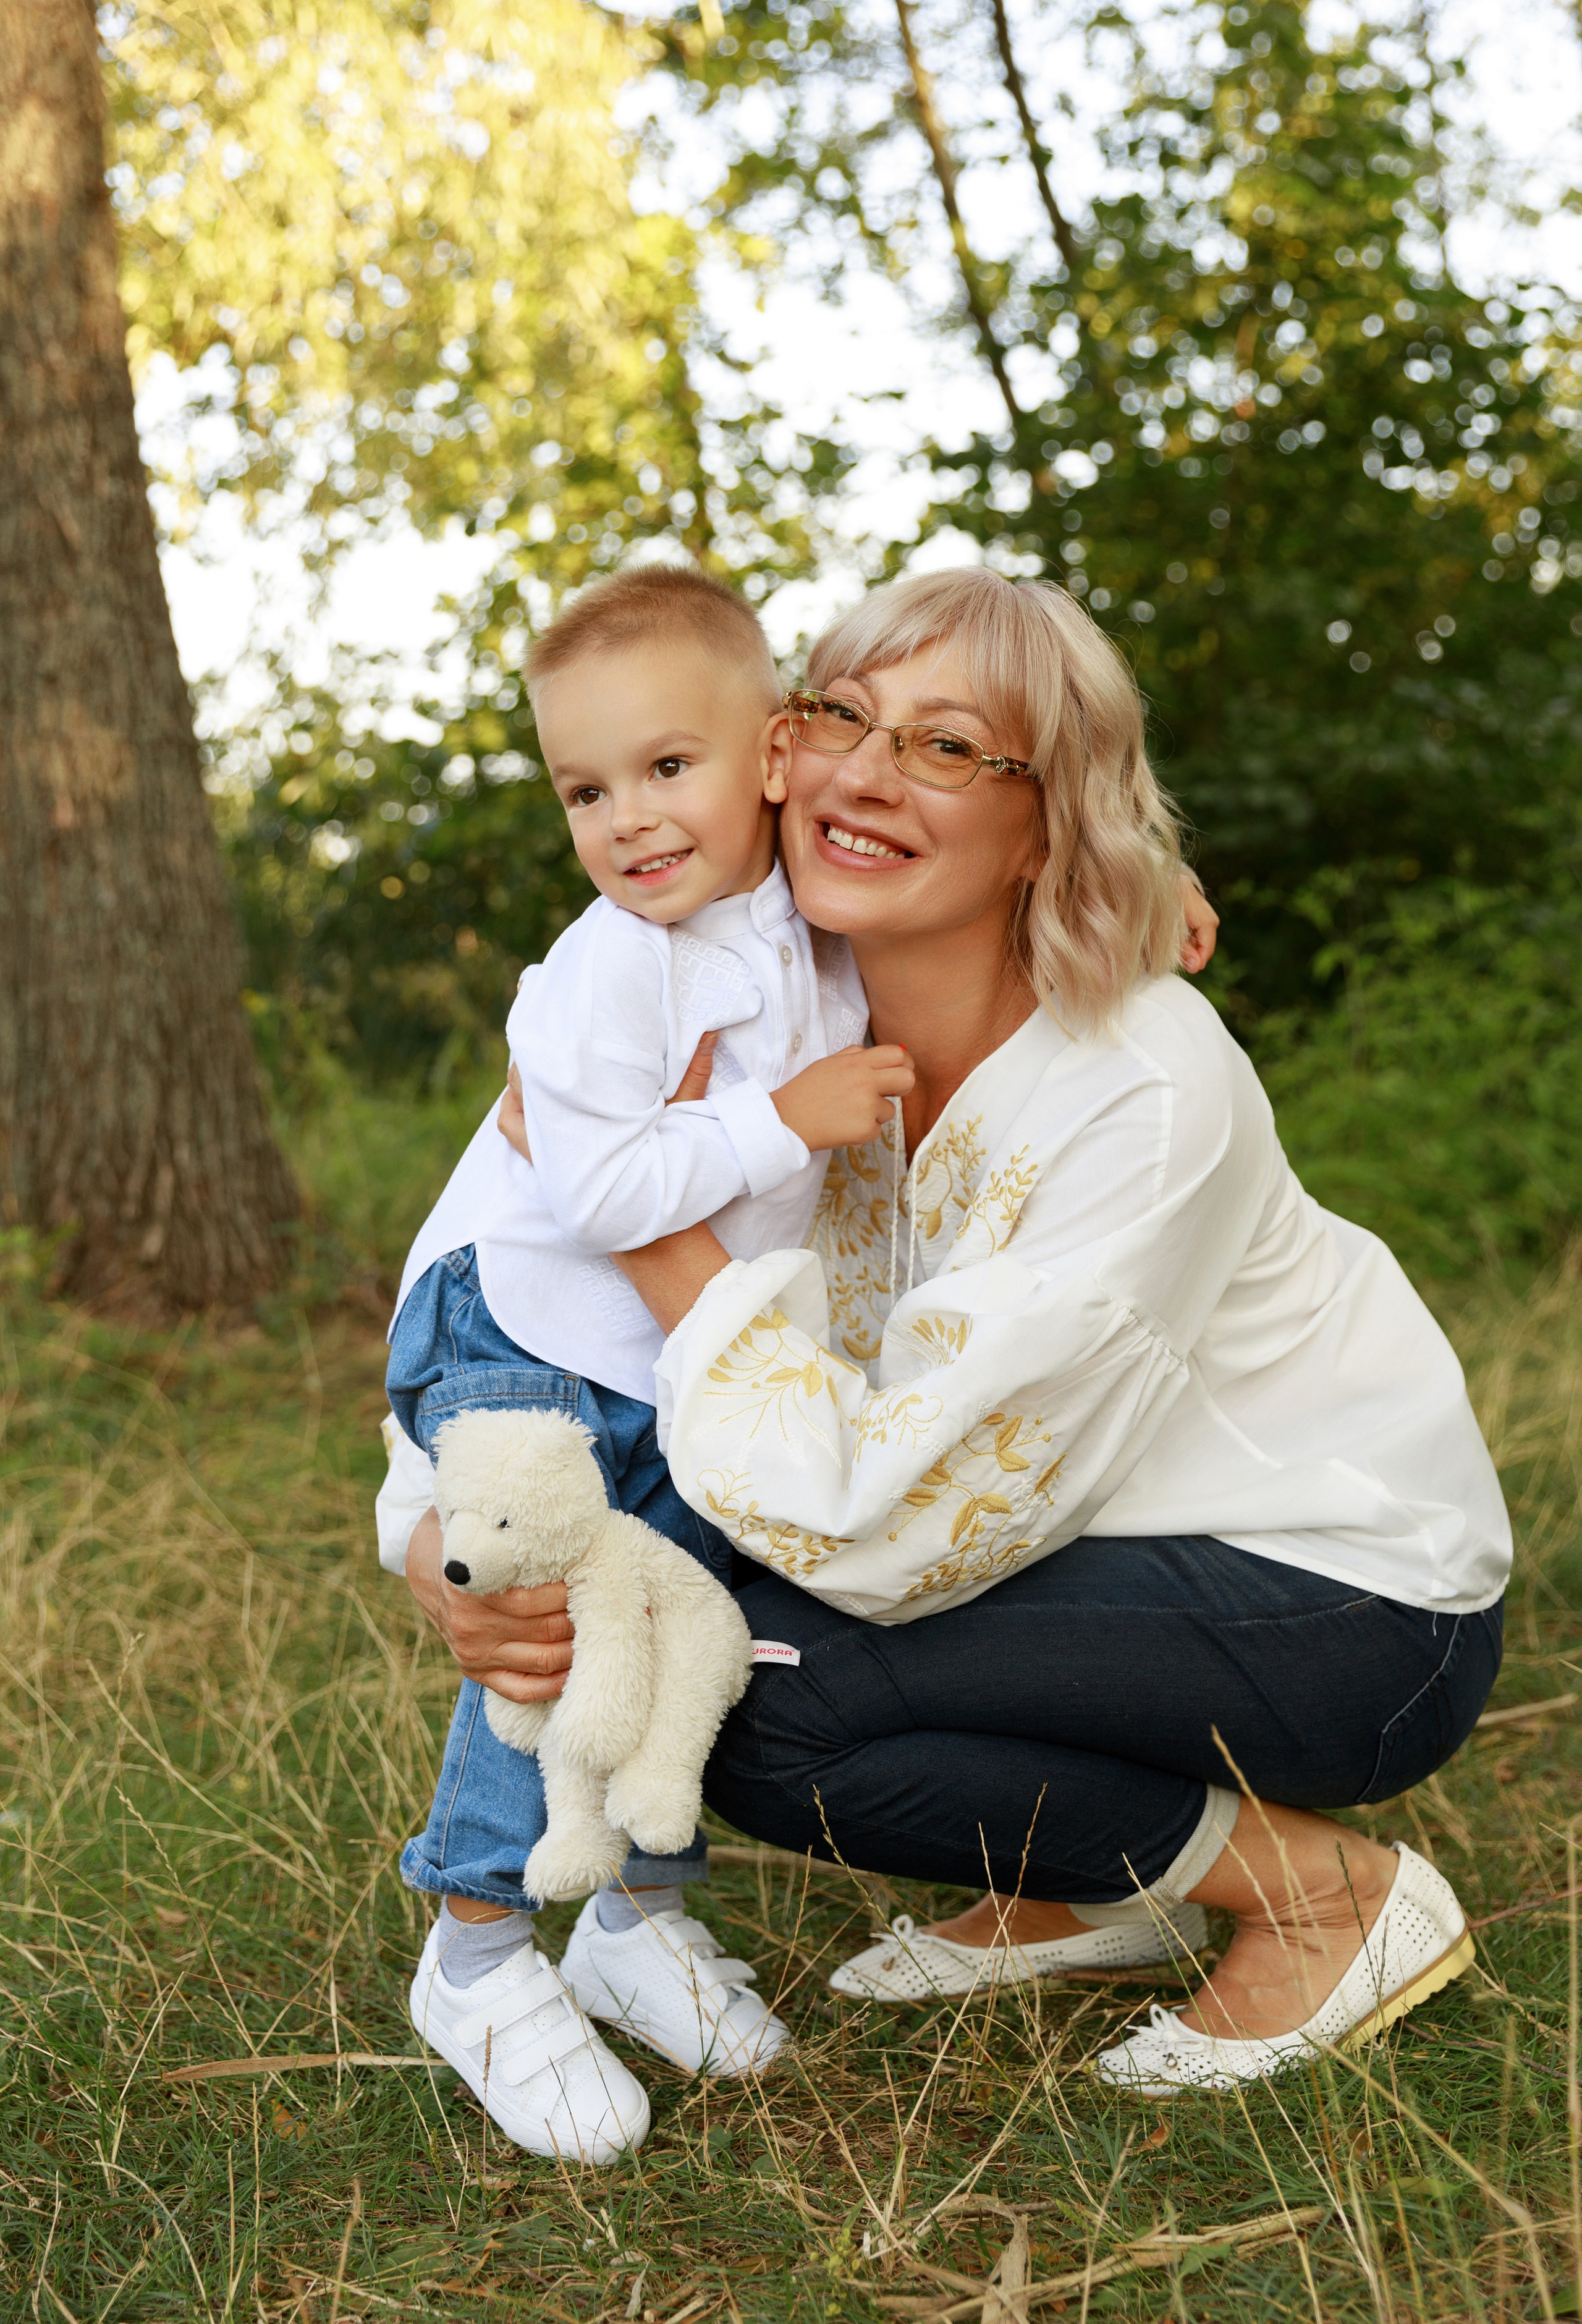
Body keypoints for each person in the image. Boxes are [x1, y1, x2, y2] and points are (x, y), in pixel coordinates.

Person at [507, 565, 1511, 2099]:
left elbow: (885, 1518)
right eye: (841, 716)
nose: (863, 770)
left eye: (947, 746)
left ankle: (1329, 1900)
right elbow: (533, 1223)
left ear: (1048, 819)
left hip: (1342, 1607)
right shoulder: (776, 1005)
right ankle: (1097, 1878)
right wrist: (467, 1542)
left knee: (750, 1689)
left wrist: (650, 1234)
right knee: (674, 1628)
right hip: (1067, 1546)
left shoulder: (1141, 1091)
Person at [378, 563, 907, 2164]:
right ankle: (472, 1956)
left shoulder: (804, 923)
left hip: (660, 1359)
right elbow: (593, 1190)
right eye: (585, 789)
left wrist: (1134, 894)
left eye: (665, 767)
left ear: (769, 759)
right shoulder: (609, 966)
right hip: (519, 1324)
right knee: (544, 1625)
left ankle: (634, 1919)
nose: (626, 819)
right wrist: (777, 1121)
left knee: (687, 1612)